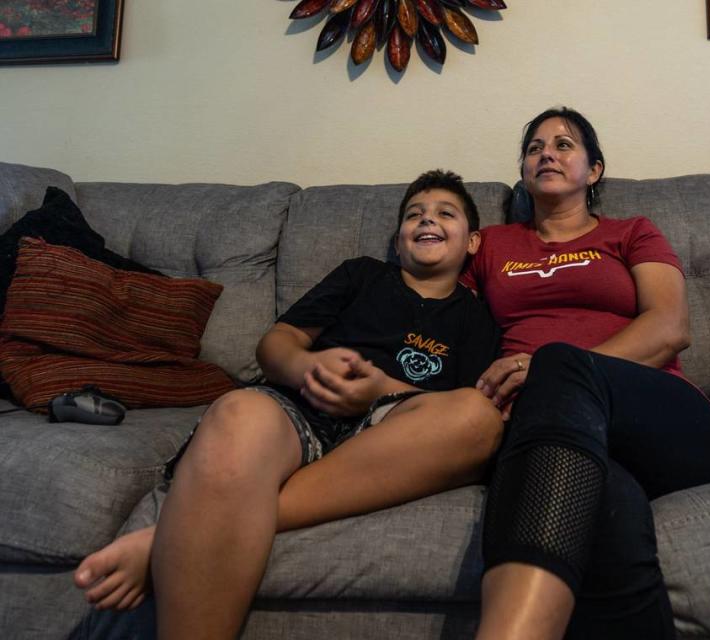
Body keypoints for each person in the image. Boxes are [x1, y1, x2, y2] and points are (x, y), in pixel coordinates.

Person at [73, 170, 504, 639]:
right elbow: (278, 342)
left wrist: (379, 387)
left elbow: (460, 405)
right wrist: (306, 369)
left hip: (391, 431)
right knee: (237, 413)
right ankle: (203, 525)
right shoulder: (362, 274)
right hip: (303, 407)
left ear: (474, 242)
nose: (427, 220)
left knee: (477, 418)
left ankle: (173, 536)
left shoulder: (477, 318)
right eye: (413, 214)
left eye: (446, 213)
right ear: (398, 240)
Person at [461, 108, 710, 639]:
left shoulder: (631, 233)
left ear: (595, 170)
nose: (546, 154)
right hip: (552, 430)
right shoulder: (490, 244)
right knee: (611, 509)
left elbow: (670, 326)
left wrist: (545, 367)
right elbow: (444, 321)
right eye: (535, 147)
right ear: (522, 169)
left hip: (663, 421)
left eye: (564, 145)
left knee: (560, 360)